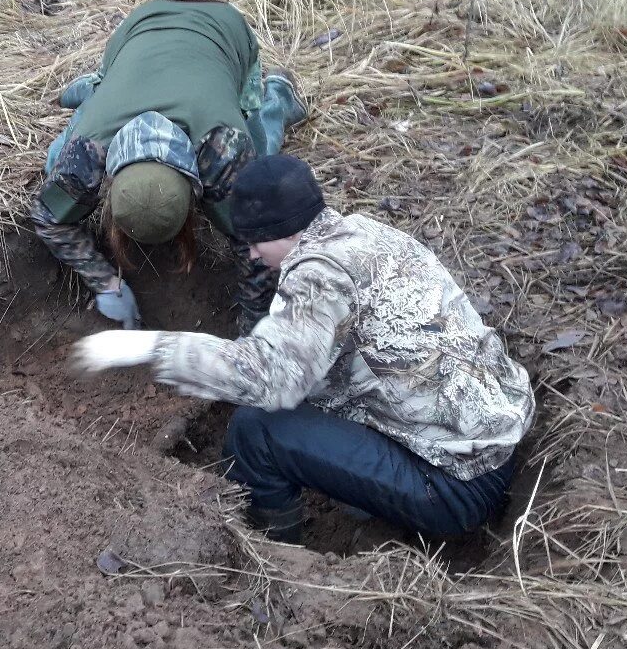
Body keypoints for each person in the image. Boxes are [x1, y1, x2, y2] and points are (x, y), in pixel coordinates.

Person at [73, 154, 534, 543]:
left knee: (256, 431)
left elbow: (272, 378)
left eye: (255, 241)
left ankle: (273, 553)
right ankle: (361, 493)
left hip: (452, 485)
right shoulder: (365, 235)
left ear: (284, 232)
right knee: (311, 396)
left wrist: (149, 348)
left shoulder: (321, 273)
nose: (252, 255)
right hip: (490, 438)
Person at [31, 0, 307, 336]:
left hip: (223, 30)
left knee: (262, 152)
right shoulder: (90, 152)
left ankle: (279, 96)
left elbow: (258, 244)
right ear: (109, 177)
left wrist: (252, 329)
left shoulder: (224, 151)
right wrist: (104, 281)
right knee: (54, 161)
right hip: (141, 25)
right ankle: (98, 88)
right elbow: (48, 216)